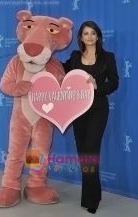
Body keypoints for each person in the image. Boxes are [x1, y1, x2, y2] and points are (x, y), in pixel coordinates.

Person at [62, 21, 119, 214]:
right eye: (86, 33)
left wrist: (97, 87)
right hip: (77, 111)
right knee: (83, 154)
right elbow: (63, 70)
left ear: (98, 36)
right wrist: (45, 62)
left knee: (91, 152)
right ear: (80, 37)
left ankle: (92, 199)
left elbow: (114, 82)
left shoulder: (107, 57)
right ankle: (90, 195)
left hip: (98, 110)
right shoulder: (75, 56)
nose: (89, 37)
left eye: (93, 33)